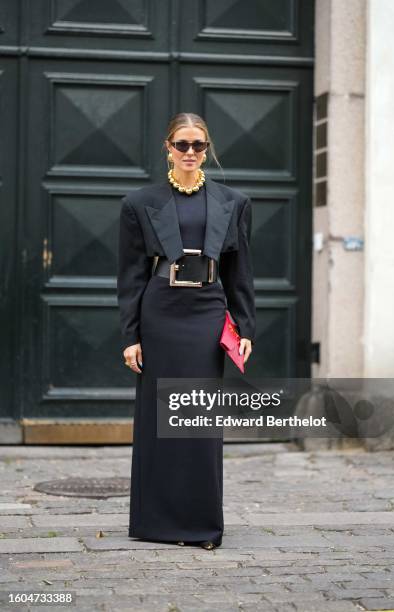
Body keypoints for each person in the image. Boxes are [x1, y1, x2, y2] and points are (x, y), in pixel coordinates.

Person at [117, 112, 256, 550]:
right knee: (158, 419)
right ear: (168, 148)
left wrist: (245, 324)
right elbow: (130, 276)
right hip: (160, 311)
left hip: (207, 312)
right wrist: (130, 335)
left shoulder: (234, 202)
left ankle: (200, 525)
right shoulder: (139, 203)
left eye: (198, 145)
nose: (191, 152)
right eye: (182, 145)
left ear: (208, 147)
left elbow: (240, 271)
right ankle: (156, 522)